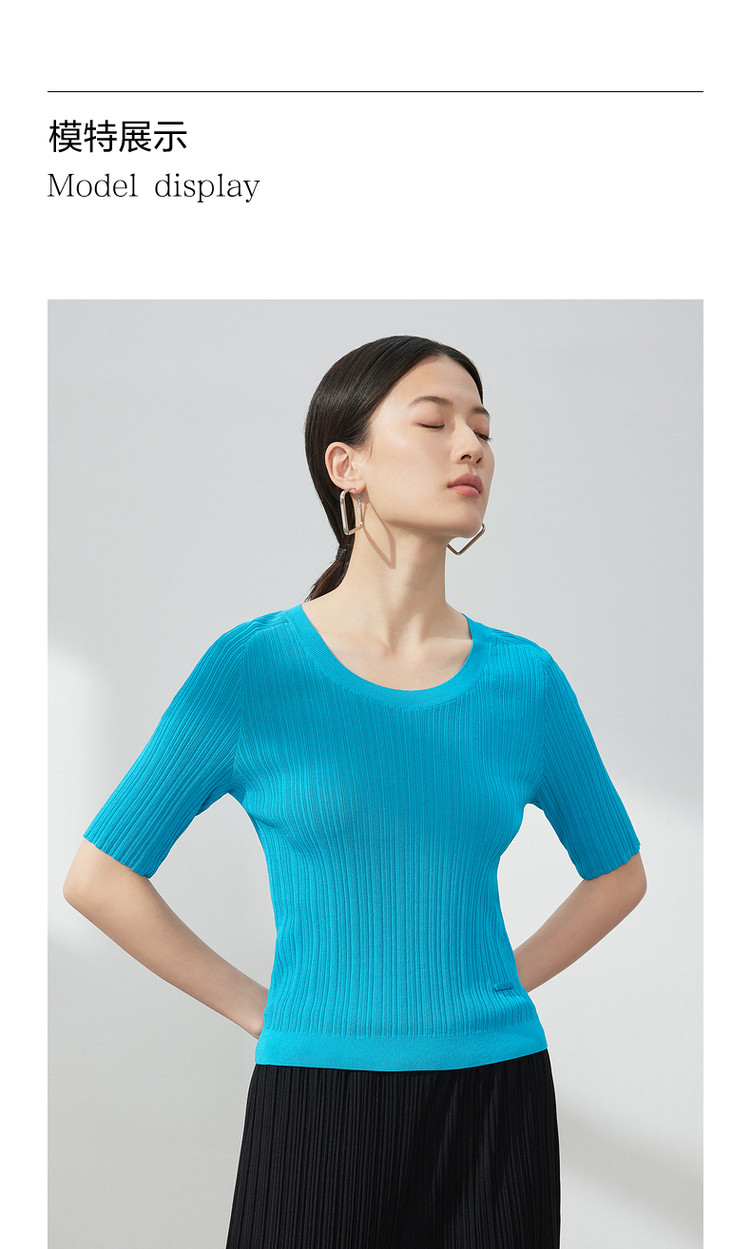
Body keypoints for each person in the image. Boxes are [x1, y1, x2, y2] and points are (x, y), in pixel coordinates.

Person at [64, 334, 647, 1249]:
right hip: (316, 1099)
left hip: (497, 1104)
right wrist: (260, 1009)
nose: (471, 445)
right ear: (348, 466)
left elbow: (618, 873)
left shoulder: (525, 681)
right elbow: (99, 876)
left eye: (483, 428)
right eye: (435, 422)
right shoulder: (255, 669)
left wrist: (498, 984)